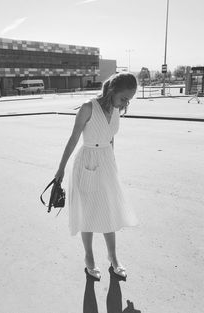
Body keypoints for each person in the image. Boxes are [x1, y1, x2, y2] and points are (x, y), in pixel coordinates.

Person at [54, 72, 139, 281]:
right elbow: (73, 139)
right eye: (124, 98)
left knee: (109, 210)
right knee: (88, 213)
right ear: (112, 90)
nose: (126, 103)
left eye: (129, 99)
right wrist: (60, 169)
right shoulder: (88, 108)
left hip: (107, 164)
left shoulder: (117, 109)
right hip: (87, 164)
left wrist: (113, 162)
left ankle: (113, 256)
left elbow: (110, 139)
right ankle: (89, 256)